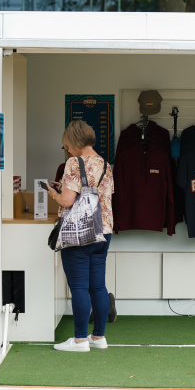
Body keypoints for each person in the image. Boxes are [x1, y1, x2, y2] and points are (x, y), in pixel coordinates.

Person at [45, 120, 115, 352]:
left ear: (74, 143)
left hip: (79, 233)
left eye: (66, 146)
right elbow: (98, 194)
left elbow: (67, 200)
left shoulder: (74, 163)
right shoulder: (106, 164)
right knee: (98, 287)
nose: (67, 151)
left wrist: (53, 192)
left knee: (79, 288)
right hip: (103, 231)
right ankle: (99, 337)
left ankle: (79, 341)